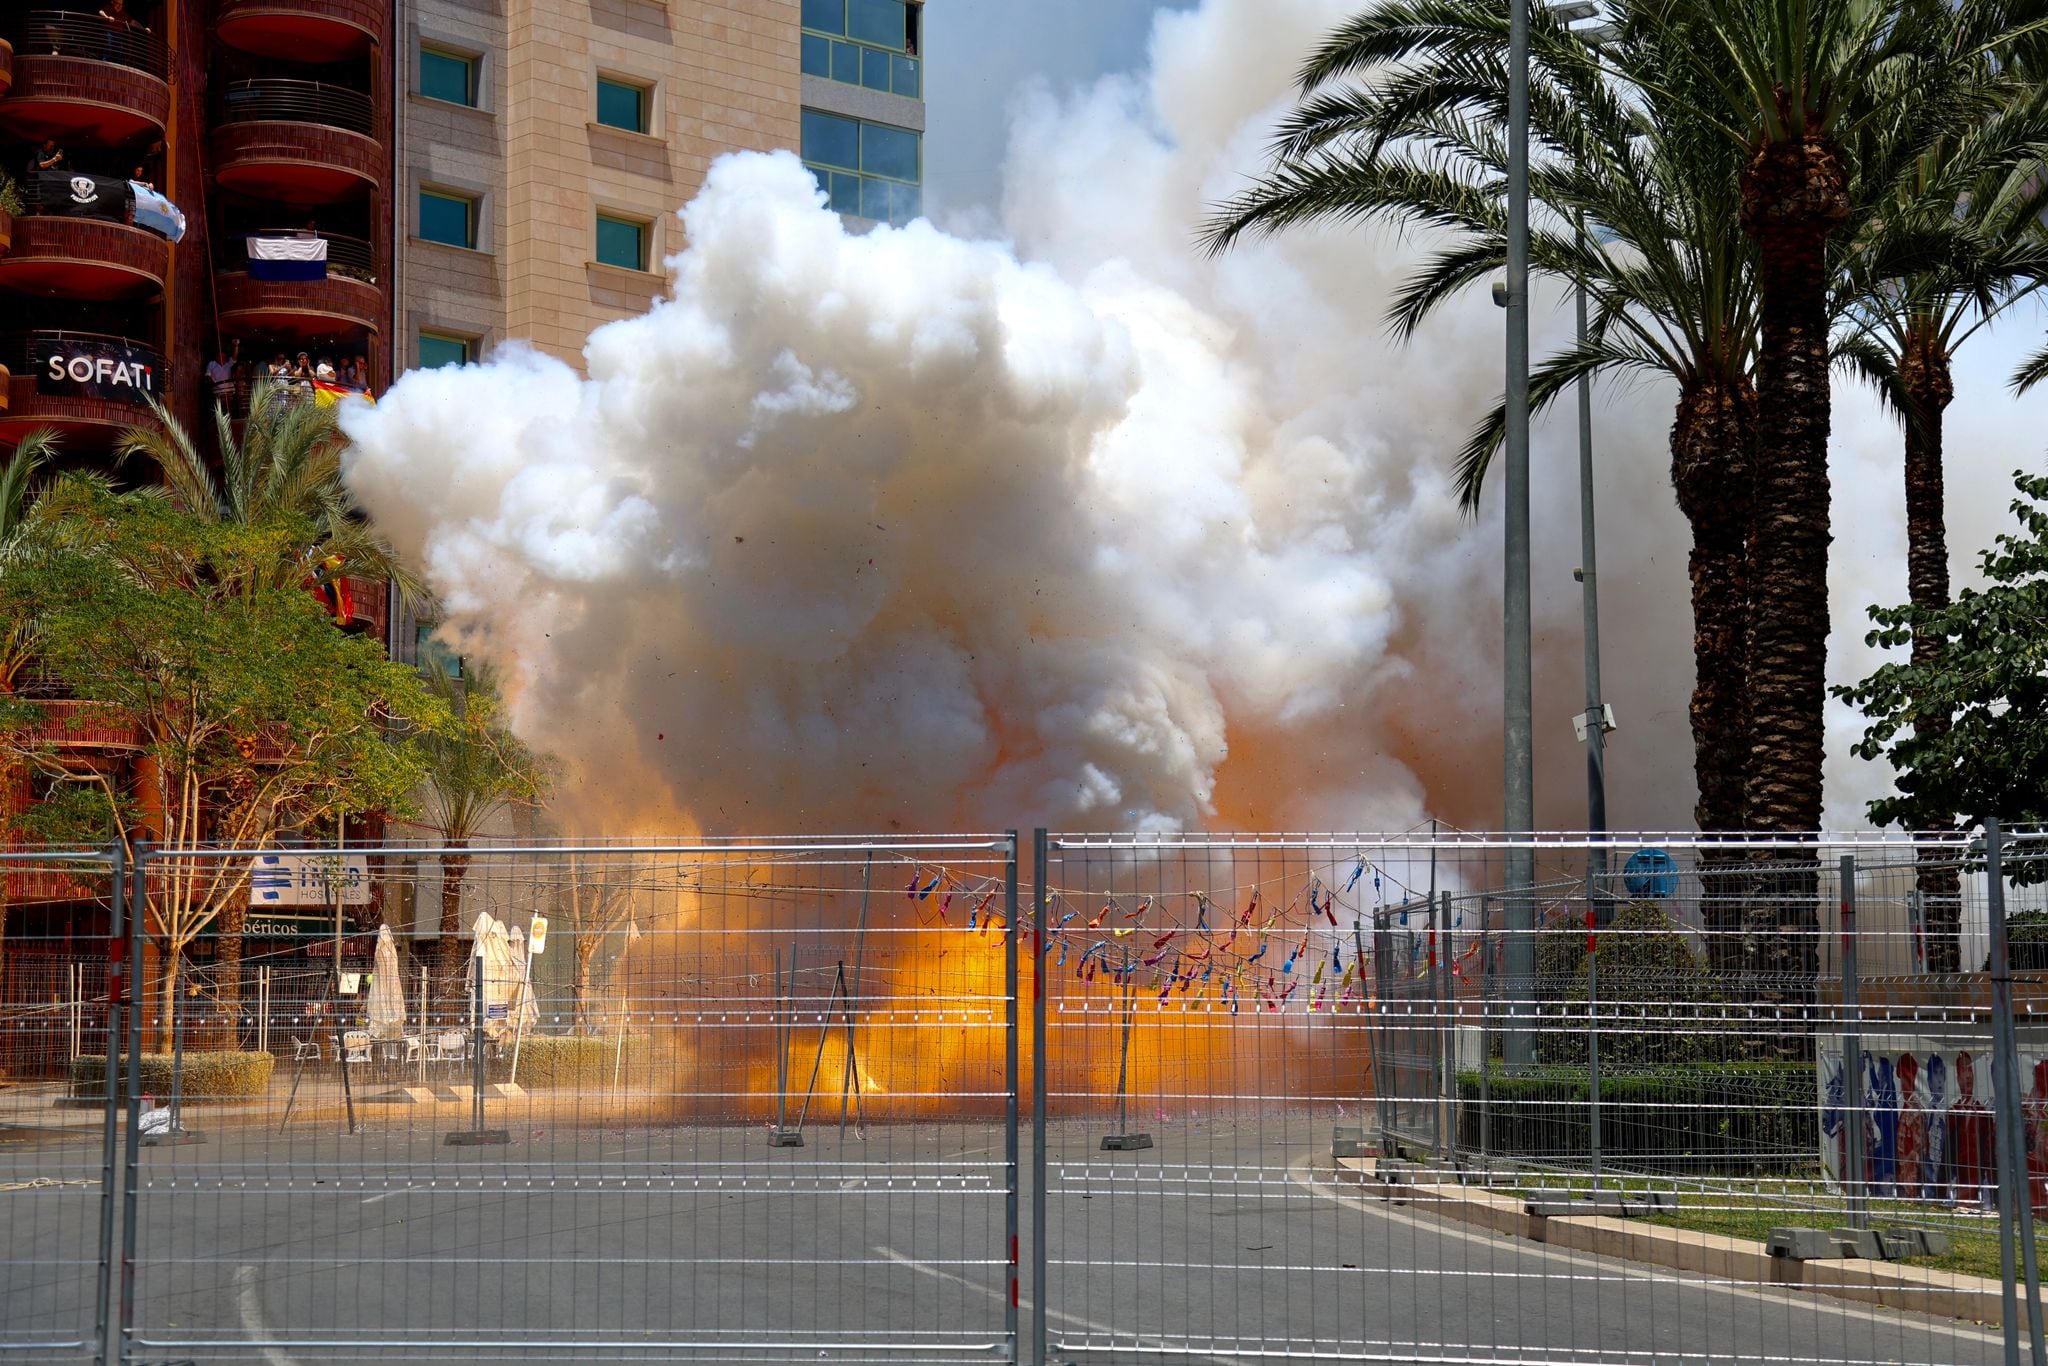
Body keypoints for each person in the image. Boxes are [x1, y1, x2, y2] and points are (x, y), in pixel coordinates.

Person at [205, 340, 239, 407]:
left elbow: (234, 357)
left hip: (229, 392)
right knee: (220, 408)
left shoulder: (228, 364)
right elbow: (207, 376)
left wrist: (236, 345)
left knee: (230, 407)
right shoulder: (212, 364)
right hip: (217, 393)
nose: (222, 358)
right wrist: (215, 384)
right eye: (221, 356)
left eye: (224, 357)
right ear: (216, 356)